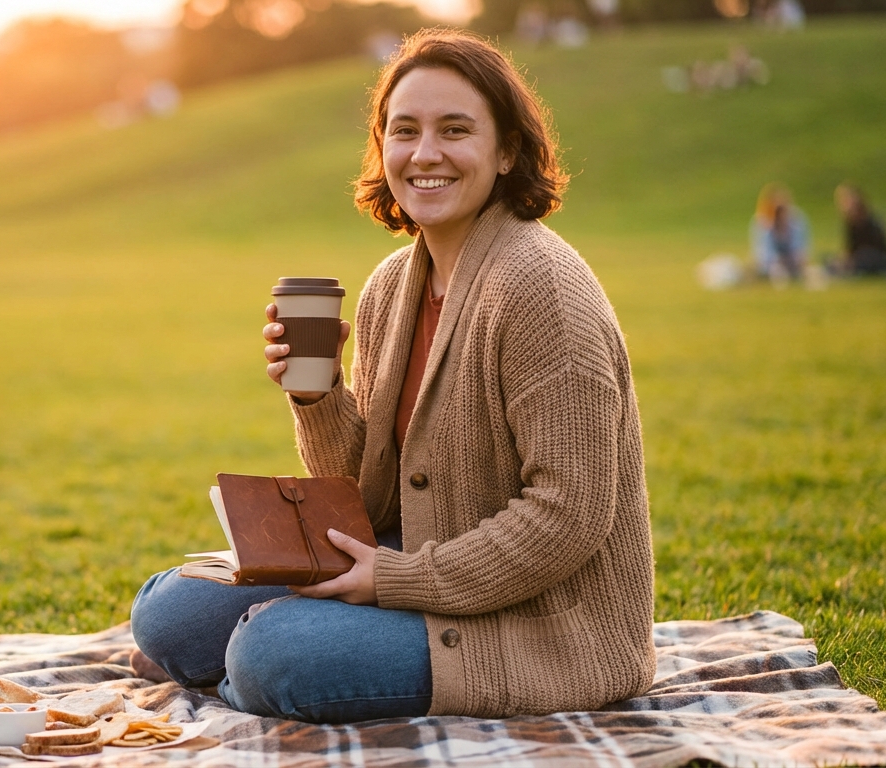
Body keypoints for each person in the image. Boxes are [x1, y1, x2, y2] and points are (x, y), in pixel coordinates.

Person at [129, 29, 655, 722]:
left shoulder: (541, 289)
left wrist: (397, 578)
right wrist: (317, 398)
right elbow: (370, 499)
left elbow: (568, 516)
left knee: (271, 652)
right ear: (383, 150)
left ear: (506, 152)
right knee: (166, 612)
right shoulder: (390, 287)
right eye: (404, 131)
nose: (425, 153)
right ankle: (238, 659)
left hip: (541, 623)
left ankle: (243, 671)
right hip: (411, 559)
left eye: (455, 129)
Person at [749, 184, 809, 281]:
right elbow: (764, 253)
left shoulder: (796, 220)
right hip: (770, 265)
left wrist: (795, 259)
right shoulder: (763, 222)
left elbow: (800, 247)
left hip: (792, 262)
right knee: (777, 272)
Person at [834, 183, 886, 278]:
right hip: (859, 259)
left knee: (864, 256)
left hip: (877, 258)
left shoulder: (871, 220)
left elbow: (877, 249)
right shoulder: (849, 224)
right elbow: (850, 249)